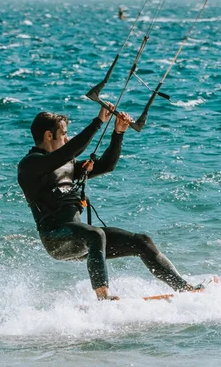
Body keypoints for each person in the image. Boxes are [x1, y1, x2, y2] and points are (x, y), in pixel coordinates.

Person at [17, 104, 199, 300]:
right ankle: (103, 297)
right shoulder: (30, 165)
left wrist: (118, 133)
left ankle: (184, 288)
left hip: (81, 238)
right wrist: (98, 122)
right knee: (95, 234)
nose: (67, 138)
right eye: (64, 134)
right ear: (48, 136)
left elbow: (106, 165)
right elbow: (68, 152)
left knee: (141, 241)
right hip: (56, 239)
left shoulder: (67, 163)